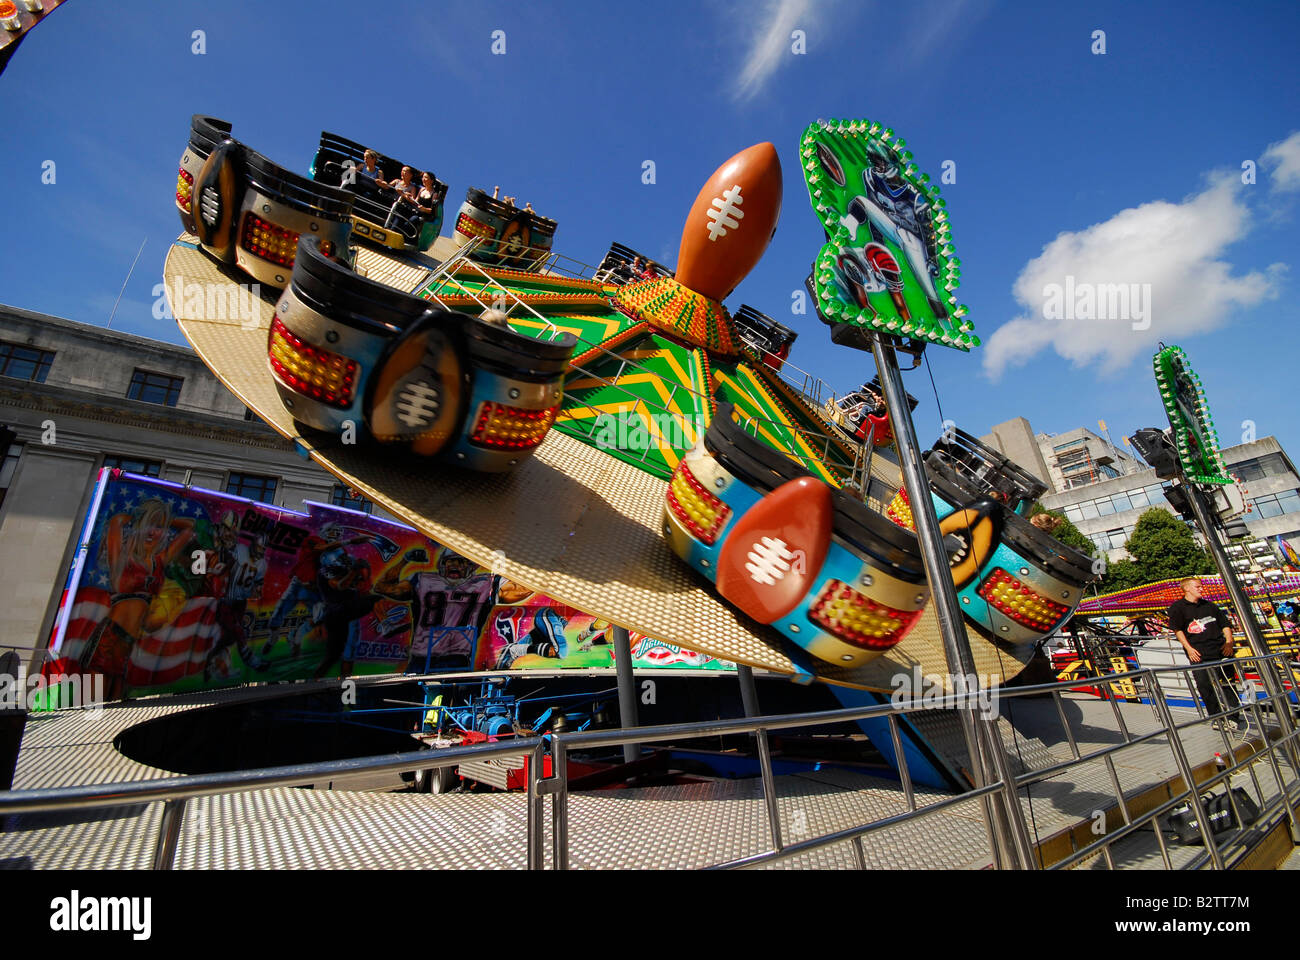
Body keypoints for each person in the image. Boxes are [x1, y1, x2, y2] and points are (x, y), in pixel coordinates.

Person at [1167, 576, 1244, 730]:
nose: (1201, 589)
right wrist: (1188, 648)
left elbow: (1225, 624)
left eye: (1201, 586)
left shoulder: (1210, 606)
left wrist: (1229, 642)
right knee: (1204, 685)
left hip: (1221, 650)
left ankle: (1233, 715)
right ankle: (1216, 716)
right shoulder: (1178, 608)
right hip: (1199, 653)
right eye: (1197, 587)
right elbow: (1177, 630)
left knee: (1228, 684)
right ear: (1187, 588)